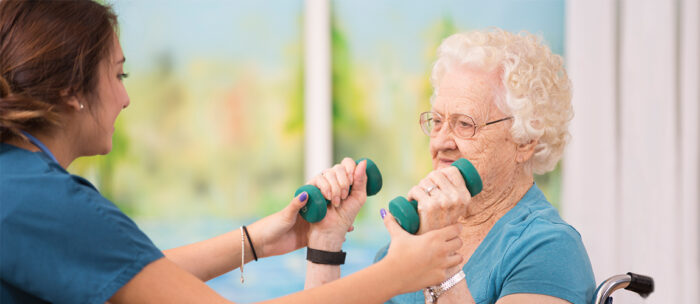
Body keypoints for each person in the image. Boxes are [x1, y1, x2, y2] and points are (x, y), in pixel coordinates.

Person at [0, 1, 464, 303]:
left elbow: (126, 274)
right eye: (119, 75)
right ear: (68, 91)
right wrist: (401, 273)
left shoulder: (20, 186)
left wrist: (262, 240)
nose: (124, 98)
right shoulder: (48, 205)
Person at [316, 30, 596, 303]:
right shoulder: (405, 245)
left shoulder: (550, 248)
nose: (441, 141)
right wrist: (326, 243)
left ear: (525, 141)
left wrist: (440, 265)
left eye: (464, 124)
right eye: (437, 121)